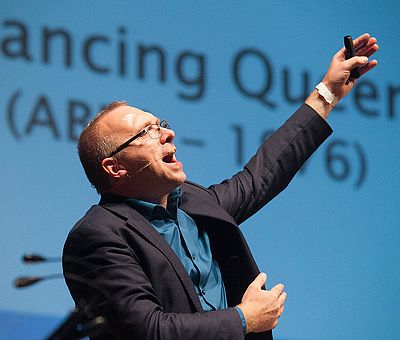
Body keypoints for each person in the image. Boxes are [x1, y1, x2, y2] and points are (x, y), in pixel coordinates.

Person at [63, 33, 378, 340]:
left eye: (161, 125)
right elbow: (147, 330)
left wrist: (328, 92)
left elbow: (263, 175)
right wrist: (244, 318)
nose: (167, 134)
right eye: (146, 132)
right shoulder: (98, 235)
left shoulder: (192, 202)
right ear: (114, 167)